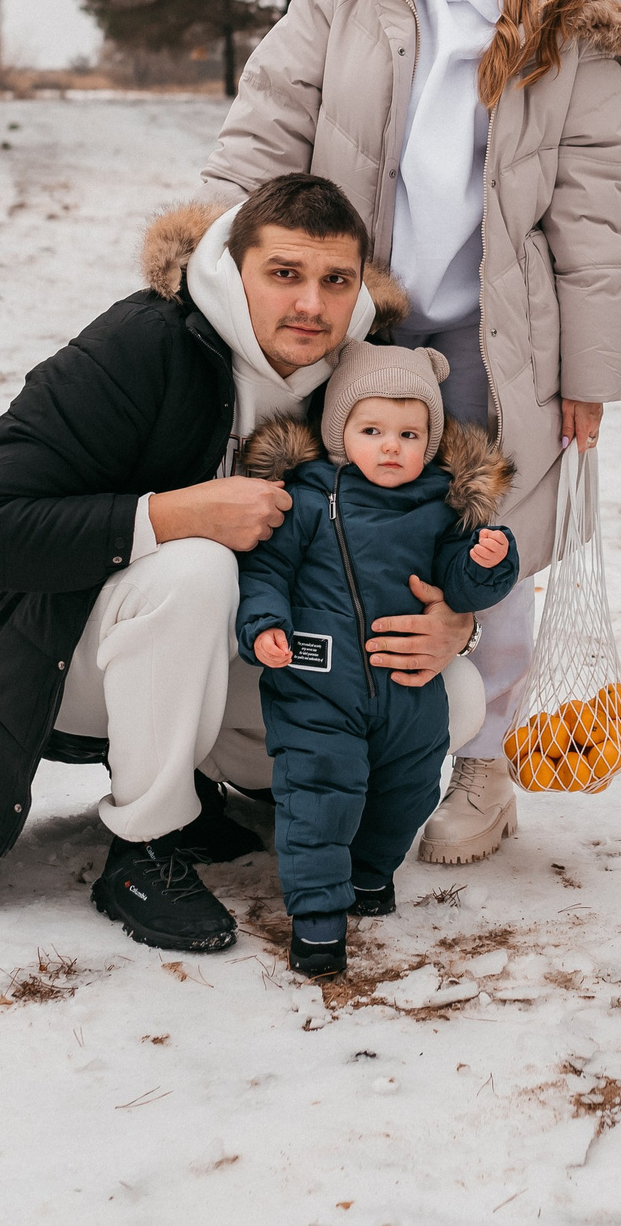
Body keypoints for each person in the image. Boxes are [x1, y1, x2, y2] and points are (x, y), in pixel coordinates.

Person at [202, 0, 621, 867]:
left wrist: (591, 375)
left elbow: (595, 214)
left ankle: (485, 767)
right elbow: (271, 116)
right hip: (352, 315)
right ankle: (290, 744)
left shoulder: (574, 25)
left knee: (487, 533)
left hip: (490, 332)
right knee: (315, 517)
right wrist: (218, 262)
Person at [0, 174, 484, 950]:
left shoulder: (364, 373)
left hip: (247, 650)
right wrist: (174, 514)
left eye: (336, 280)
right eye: (284, 273)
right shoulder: (144, 342)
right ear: (235, 267)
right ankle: (144, 846)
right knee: (197, 567)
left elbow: (425, 528)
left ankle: (257, 791)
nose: (311, 304)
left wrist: (454, 621)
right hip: (67, 661)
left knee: (453, 693)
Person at [235, 344, 519, 977]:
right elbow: (267, 569)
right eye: (372, 431)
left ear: (430, 442)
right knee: (319, 796)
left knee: (409, 791)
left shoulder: (440, 507)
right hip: (317, 683)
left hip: (408, 688)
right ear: (339, 433)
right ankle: (317, 924)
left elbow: (458, 586)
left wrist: (485, 564)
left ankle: (369, 873)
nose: (391, 446)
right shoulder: (308, 498)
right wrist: (263, 624)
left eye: (409, 435)